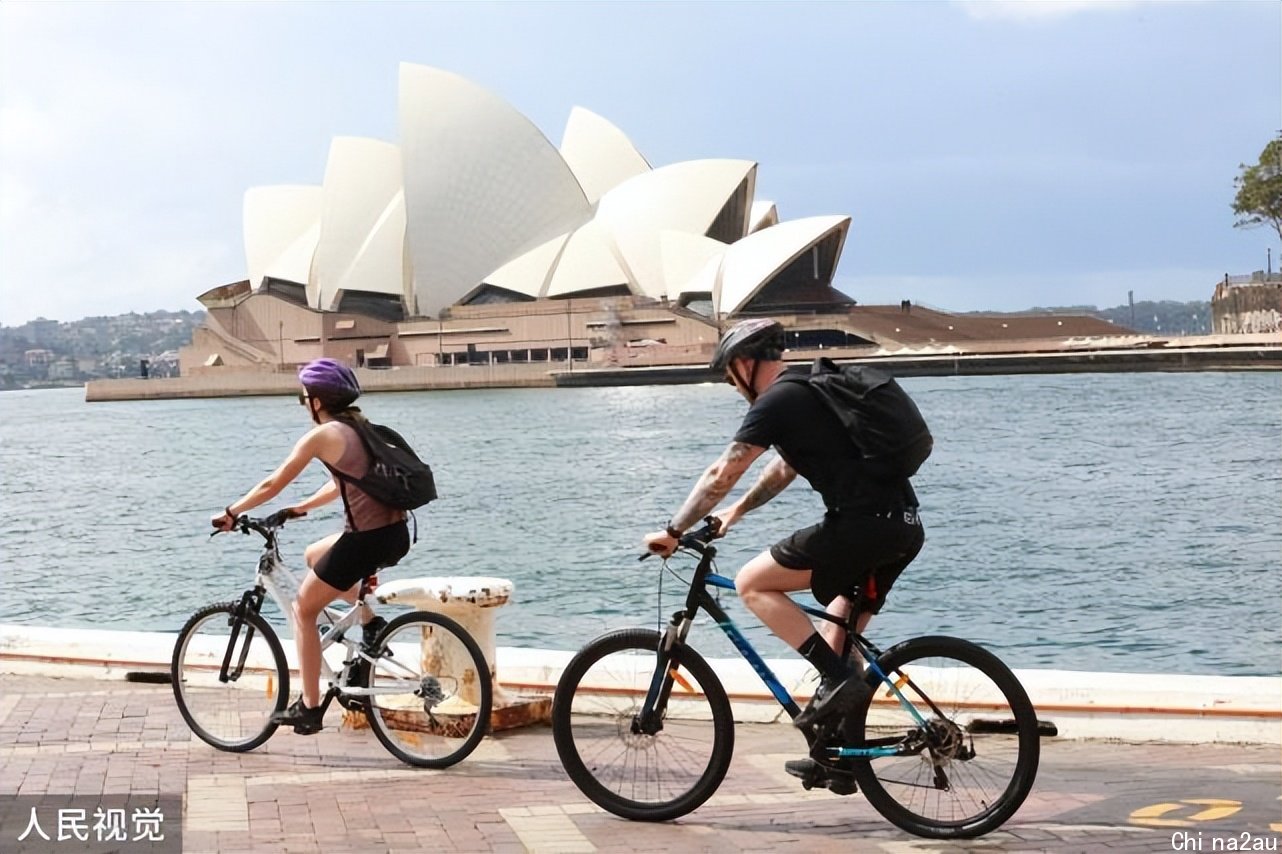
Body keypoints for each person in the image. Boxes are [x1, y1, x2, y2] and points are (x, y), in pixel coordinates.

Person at [644, 318, 925, 788]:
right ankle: (836, 757)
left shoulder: (778, 400)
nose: (734, 387)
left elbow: (722, 472)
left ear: (745, 364)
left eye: (730, 374)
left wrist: (674, 529)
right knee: (836, 630)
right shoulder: (809, 389)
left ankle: (840, 680)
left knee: (751, 583)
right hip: (902, 527)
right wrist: (735, 513)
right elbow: (785, 467)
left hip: (861, 528)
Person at [211, 358, 410, 734]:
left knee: (303, 610)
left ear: (316, 401)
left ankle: (309, 707)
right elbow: (341, 485)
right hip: (396, 535)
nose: (303, 404)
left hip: (364, 541)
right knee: (314, 554)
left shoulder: (323, 435)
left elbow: (273, 483)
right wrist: (300, 507)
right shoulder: (361, 428)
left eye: (304, 398)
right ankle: (370, 623)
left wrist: (231, 512)